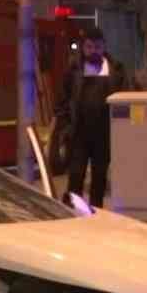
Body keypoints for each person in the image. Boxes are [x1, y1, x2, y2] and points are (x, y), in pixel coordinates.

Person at [50, 26, 129, 208]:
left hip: (104, 134)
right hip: (78, 134)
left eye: (97, 46)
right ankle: (72, 213)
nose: (93, 51)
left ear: (104, 46)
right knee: (75, 177)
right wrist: (65, 127)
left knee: (99, 178)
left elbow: (124, 98)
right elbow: (62, 100)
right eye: (89, 47)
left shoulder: (116, 69)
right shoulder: (74, 70)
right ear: (83, 47)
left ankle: (96, 213)